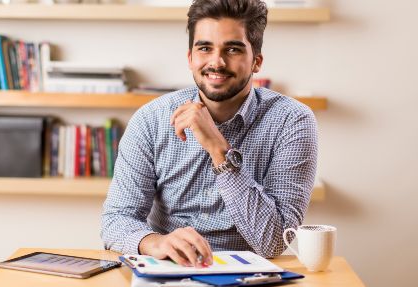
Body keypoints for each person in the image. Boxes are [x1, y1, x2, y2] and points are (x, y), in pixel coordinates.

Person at [101, 0, 317, 268]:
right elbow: (116, 220)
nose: (217, 62)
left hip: (248, 277)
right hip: (168, 271)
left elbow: (272, 242)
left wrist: (219, 150)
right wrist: (155, 242)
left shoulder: (291, 121)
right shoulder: (151, 119)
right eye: (205, 48)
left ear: (256, 62)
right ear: (190, 58)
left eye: (233, 49)